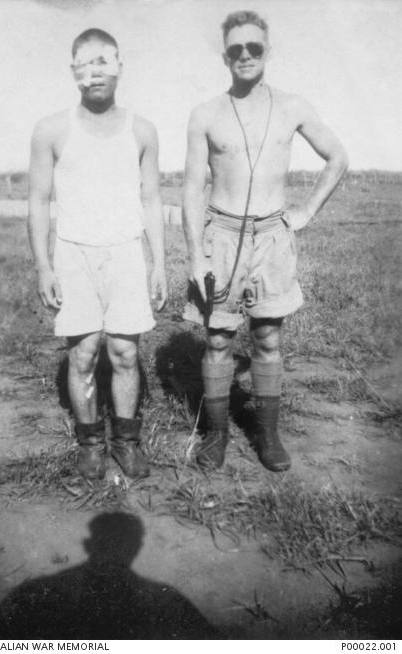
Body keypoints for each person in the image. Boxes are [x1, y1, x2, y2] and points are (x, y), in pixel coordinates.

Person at [183, 10, 348, 472]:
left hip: (273, 236)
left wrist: (307, 211)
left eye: (254, 47)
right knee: (218, 338)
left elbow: (337, 156)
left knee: (267, 335)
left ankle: (267, 434)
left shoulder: (293, 106)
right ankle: (216, 435)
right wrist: (196, 255)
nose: (246, 56)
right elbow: (192, 186)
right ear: (225, 56)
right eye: (236, 49)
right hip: (222, 235)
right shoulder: (205, 114)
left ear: (267, 51)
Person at [28, 28, 167, 481]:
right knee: (84, 353)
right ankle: (91, 442)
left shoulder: (141, 130)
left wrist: (159, 263)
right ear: (73, 72)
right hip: (73, 254)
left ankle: (127, 441)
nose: (95, 73)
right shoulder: (51, 129)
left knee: (125, 351)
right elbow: (37, 201)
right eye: (85, 65)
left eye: (104, 62)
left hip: (125, 252)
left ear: (120, 67)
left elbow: (150, 200)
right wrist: (44, 264)